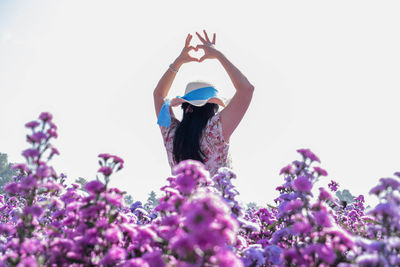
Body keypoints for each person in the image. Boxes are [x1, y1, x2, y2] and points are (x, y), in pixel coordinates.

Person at [153, 30, 254, 177]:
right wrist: (218, 55)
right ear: (212, 108)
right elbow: (246, 90)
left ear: (186, 108)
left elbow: (158, 95)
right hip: (215, 200)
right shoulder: (216, 130)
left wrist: (178, 62)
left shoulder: (172, 136)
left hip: (181, 200)